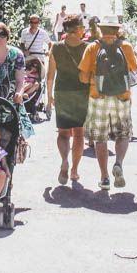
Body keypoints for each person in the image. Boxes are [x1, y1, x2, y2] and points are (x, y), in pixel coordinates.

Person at [79, 10, 137, 191]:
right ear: (117, 30)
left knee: (100, 138)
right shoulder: (126, 47)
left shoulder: (93, 47)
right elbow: (134, 69)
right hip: (122, 96)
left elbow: (82, 76)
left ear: (102, 29)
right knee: (123, 134)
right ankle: (118, 163)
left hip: (98, 96)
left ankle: (104, 177)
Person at [47, 14, 89, 184]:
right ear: (78, 29)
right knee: (79, 134)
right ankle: (74, 170)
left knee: (63, 133)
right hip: (82, 94)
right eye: (82, 27)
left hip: (62, 92)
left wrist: (49, 96)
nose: (84, 30)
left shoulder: (56, 48)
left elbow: (50, 76)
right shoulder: (88, 47)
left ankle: (64, 160)